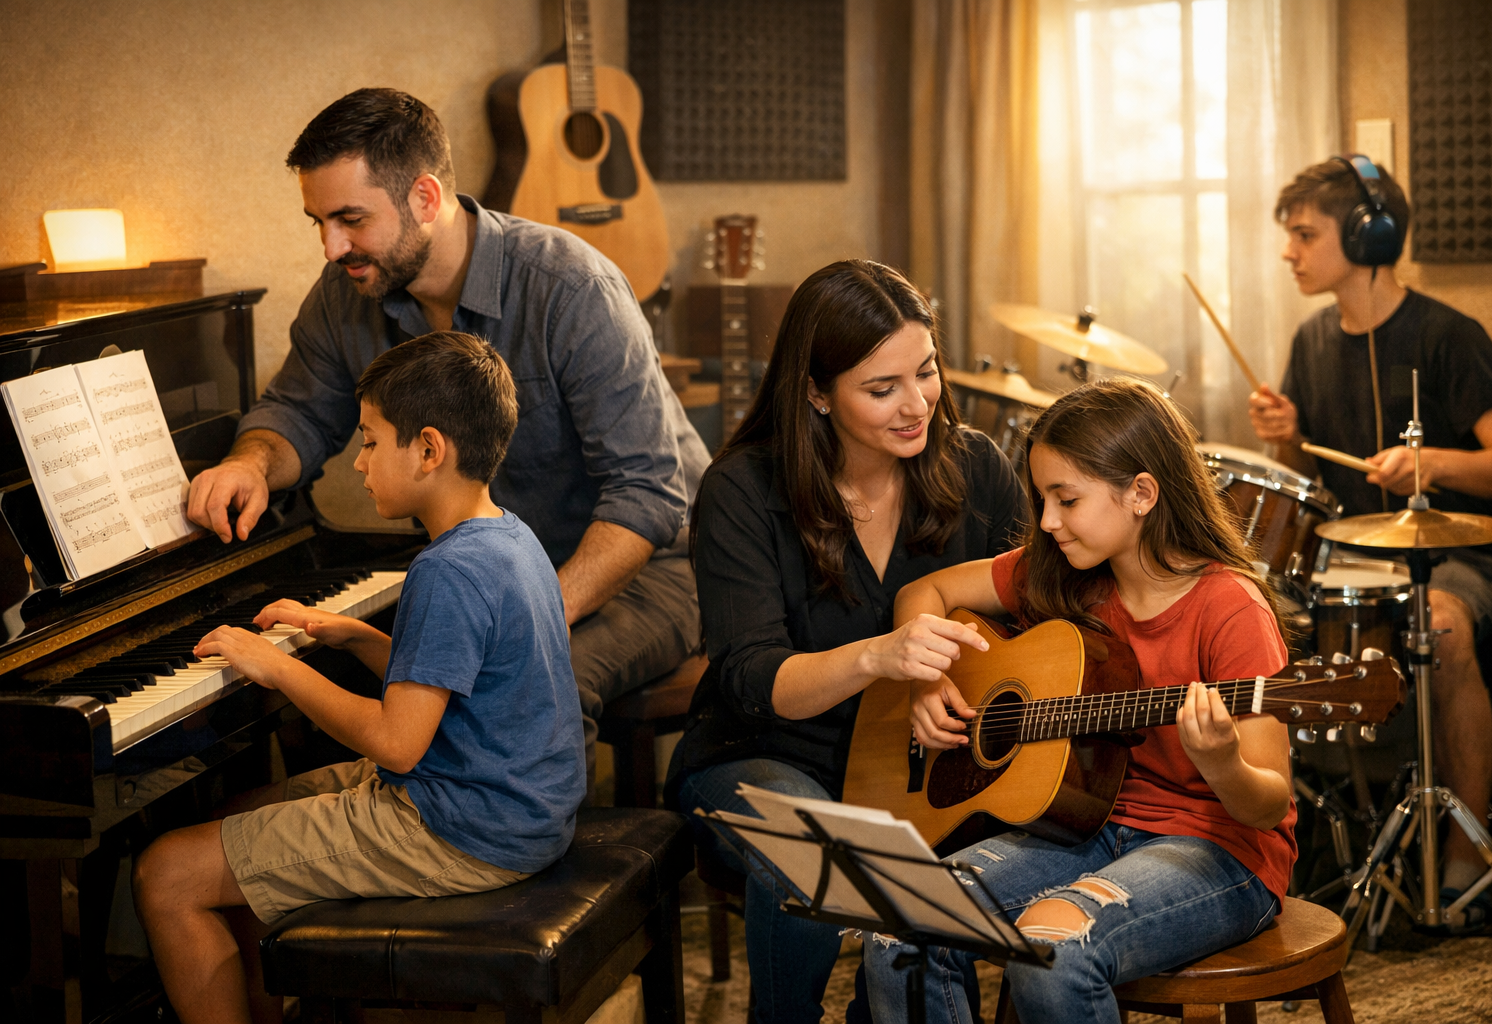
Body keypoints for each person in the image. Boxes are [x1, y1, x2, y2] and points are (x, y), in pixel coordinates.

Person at [185, 88, 710, 779]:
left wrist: (528, 615)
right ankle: (381, 838)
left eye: (350, 220)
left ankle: (529, 848)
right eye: (319, 222)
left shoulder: (572, 286)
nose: (331, 247)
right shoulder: (347, 292)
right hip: (485, 577)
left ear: (426, 198)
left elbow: (646, 492)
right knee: (328, 663)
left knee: (533, 687)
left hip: (648, 570)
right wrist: (250, 464)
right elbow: (298, 414)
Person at [134, 332, 585, 1024]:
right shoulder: (511, 537)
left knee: (165, 873)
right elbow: (453, 679)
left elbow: (397, 744)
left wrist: (279, 667)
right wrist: (358, 636)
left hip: (462, 831)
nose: (359, 461)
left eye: (371, 442)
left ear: (429, 450)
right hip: (516, 809)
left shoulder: (447, 570)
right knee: (239, 813)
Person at [863, 379, 1296, 1024]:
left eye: (1066, 500)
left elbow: (1267, 805)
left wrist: (1223, 761)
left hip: (1219, 849)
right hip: (1082, 825)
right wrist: (928, 680)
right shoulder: (1065, 573)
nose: (1047, 521)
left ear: (1142, 493)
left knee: (1051, 949)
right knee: (899, 921)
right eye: (1042, 499)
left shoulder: (1231, 608)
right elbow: (922, 594)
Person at [667, 260, 1027, 1024]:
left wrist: (944, 684)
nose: (916, 404)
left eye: (925, 372)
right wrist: (877, 657)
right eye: (882, 388)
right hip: (766, 754)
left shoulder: (978, 469)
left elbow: (1031, 623)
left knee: (953, 891)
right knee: (825, 855)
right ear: (815, 392)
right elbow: (752, 679)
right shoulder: (743, 489)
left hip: (923, 764)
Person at [1249, 157, 1492, 931]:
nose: (1288, 252)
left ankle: (1466, 860)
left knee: (1443, 627)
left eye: (1305, 235)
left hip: (1457, 558)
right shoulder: (1312, 338)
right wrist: (1286, 436)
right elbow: (1302, 480)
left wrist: (1431, 463)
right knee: (1248, 617)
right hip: (1350, 559)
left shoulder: (1449, 336)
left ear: (1366, 236)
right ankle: (1295, 848)